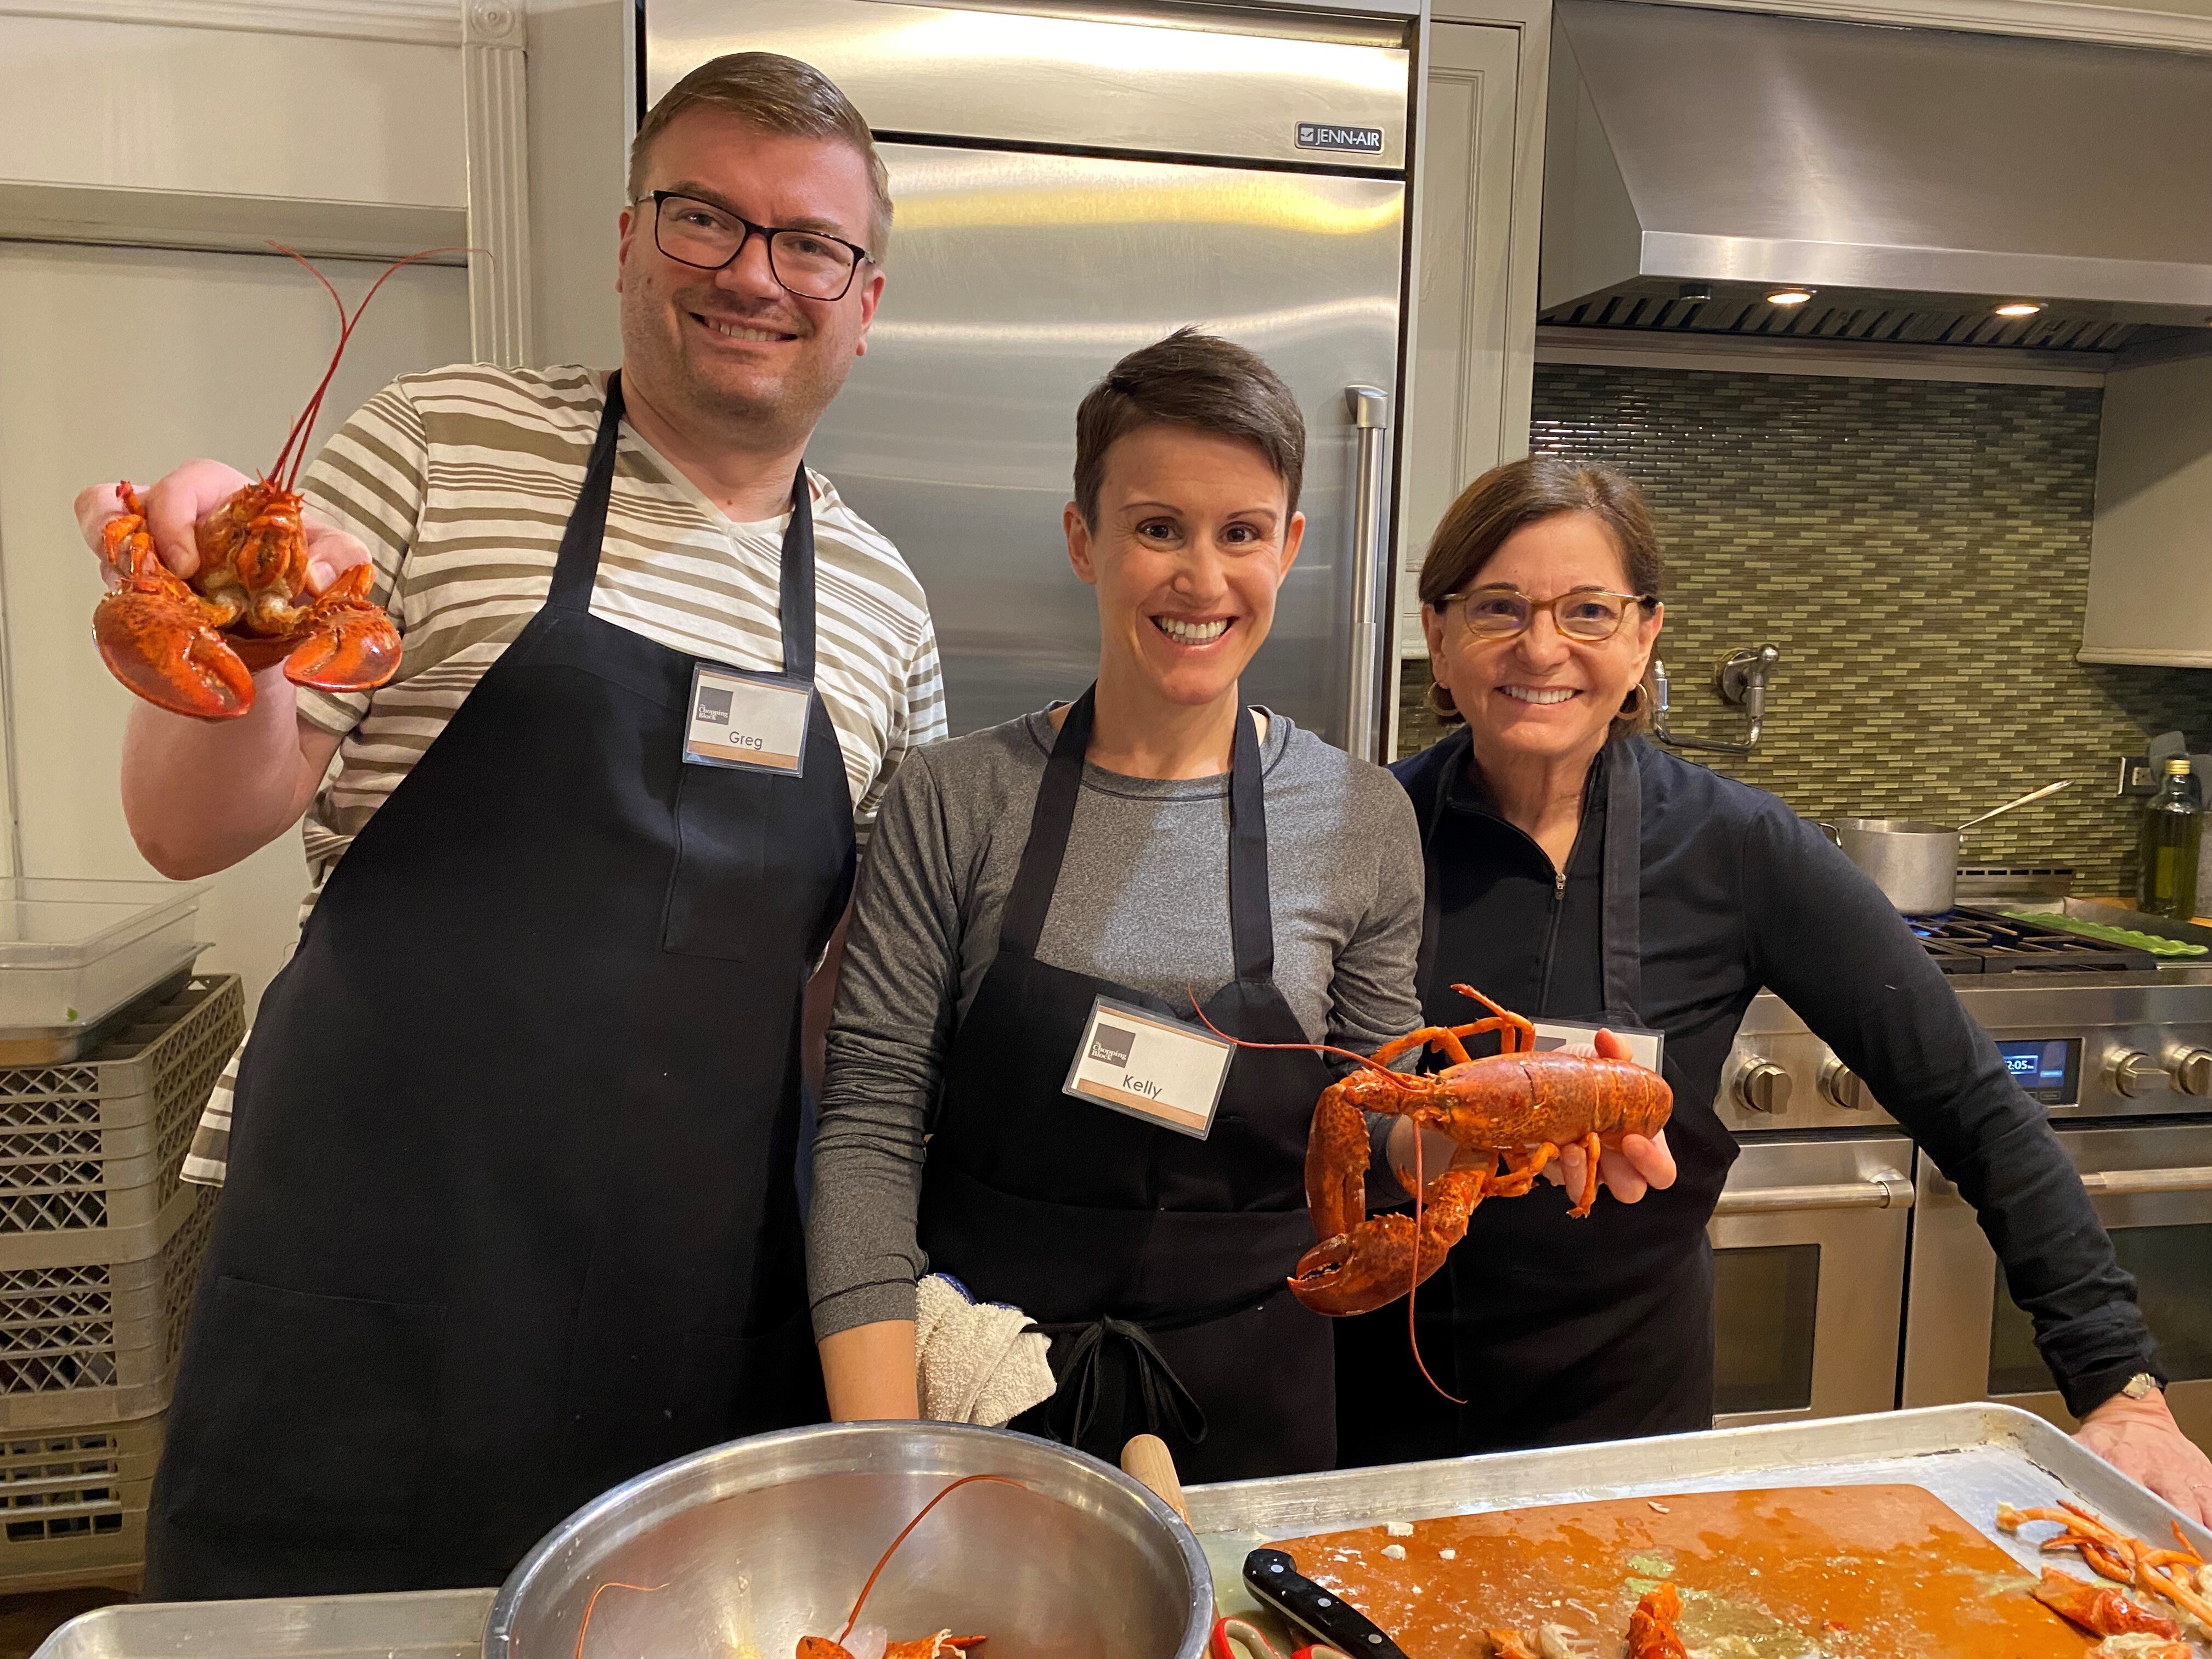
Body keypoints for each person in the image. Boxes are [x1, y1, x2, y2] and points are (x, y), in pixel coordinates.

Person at [69, 53, 945, 1596]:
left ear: (864, 296)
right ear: (626, 241)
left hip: (694, 1304)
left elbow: (859, 1004)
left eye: (810, 243)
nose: (755, 274)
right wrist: (212, 643)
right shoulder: (434, 441)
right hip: (372, 1261)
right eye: (703, 220)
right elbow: (191, 831)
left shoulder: (886, 602)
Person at [1336, 454, 2212, 1525]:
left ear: (1647, 634)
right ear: (1439, 629)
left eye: (1588, 611)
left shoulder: (1740, 847)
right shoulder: (1370, 829)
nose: (1542, 647)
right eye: (1500, 608)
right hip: (1383, 1389)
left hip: (1625, 1409)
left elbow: (1976, 1107)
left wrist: (2122, 1385)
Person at [807, 330, 1424, 1480]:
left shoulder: (1362, 816)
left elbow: (1376, 1116)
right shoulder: (957, 797)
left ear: (1289, 547)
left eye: (1241, 533)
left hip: (1261, 1403)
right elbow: (869, 1126)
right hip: (985, 1399)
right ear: (1084, 542)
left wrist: (1475, 1135)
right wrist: (883, 1459)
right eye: (1158, 529)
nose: (1203, 578)